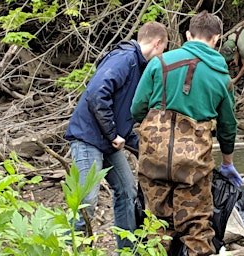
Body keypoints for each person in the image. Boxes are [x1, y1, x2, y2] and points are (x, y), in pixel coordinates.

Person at [130, 10, 242, 256]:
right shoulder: (222, 78)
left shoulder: (158, 63)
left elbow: (136, 108)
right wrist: (227, 162)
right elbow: (227, 126)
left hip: (154, 156)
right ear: (217, 38)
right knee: (197, 227)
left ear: (188, 34)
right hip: (193, 162)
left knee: (155, 224)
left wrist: (151, 129)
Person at [64, 21, 168, 250]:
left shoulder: (138, 66)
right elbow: (95, 94)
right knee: (87, 200)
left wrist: (150, 153)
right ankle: (60, 247)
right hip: (88, 138)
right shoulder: (125, 59)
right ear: (158, 43)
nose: (161, 56)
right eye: (163, 49)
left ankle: (126, 250)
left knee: (127, 190)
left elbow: (123, 118)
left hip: (107, 141)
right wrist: (112, 133)